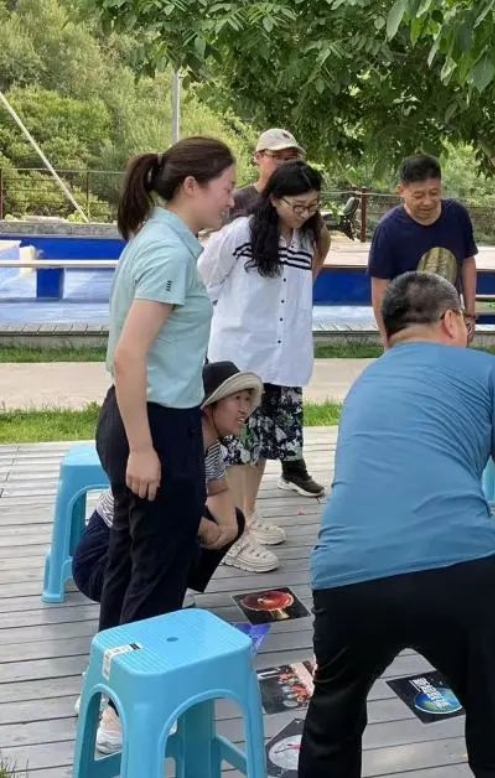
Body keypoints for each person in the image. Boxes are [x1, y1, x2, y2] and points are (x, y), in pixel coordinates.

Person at [300, 272, 495, 778]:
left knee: (331, 729)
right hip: (462, 568)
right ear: (452, 321)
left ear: (386, 333)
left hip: (347, 575)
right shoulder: (487, 368)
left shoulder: (364, 383)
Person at [93, 136, 235, 745]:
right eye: (227, 188)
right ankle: (127, 715)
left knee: (130, 561)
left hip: (142, 418)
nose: (231, 200)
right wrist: (146, 448)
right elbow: (131, 354)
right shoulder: (168, 252)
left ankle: (111, 691)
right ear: (191, 187)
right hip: (152, 424)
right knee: (157, 571)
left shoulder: (157, 238)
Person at [74, 361, 269, 752]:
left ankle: (106, 681)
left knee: (213, 525)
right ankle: (116, 713)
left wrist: (227, 527)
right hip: (100, 559)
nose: (246, 409)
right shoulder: (178, 438)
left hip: (138, 547)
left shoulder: (207, 445)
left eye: (250, 400)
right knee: (154, 580)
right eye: (238, 399)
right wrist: (206, 528)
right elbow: (164, 507)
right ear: (209, 404)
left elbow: (218, 493)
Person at [199, 161, 327, 559]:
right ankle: (234, 532)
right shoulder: (241, 233)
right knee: (238, 448)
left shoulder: (305, 241)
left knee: (262, 445)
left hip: (283, 360)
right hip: (242, 357)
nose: (305, 214)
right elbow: (203, 281)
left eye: (313, 206)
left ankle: (248, 516)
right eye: (297, 206)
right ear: (273, 200)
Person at [227, 127, 329, 499]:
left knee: (272, 431)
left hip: (283, 348)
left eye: (292, 157)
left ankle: (254, 508)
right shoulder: (239, 213)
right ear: (259, 158)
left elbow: (310, 264)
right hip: (244, 346)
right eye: (278, 156)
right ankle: (236, 518)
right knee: (240, 438)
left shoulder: (306, 226)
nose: (303, 213)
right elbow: (210, 277)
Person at [367, 154, 478, 345]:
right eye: (418, 195)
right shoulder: (388, 230)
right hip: (409, 330)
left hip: (450, 324)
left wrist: (470, 313)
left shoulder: (457, 216)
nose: (427, 202)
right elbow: (380, 291)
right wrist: (387, 340)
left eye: (434, 193)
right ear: (401, 191)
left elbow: (468, 262)